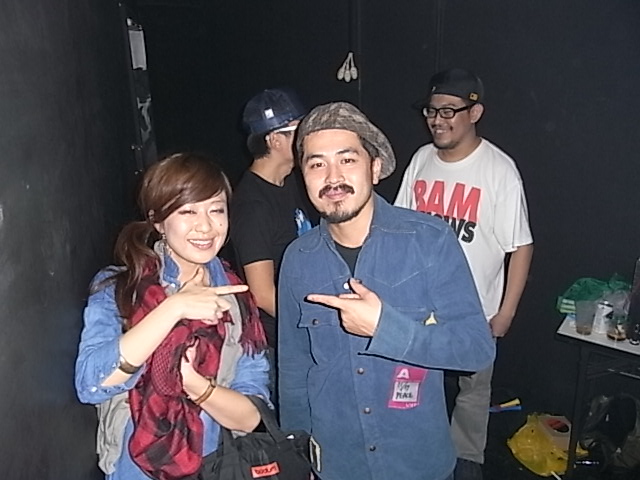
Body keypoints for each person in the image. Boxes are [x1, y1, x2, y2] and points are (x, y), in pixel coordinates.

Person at [278, 102, 496, 480]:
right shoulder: (298, 260)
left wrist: (386, 328)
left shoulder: (429, 241)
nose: (332, 177)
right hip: (337, 466)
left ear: (375, 168)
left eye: (347, 160)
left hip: (418, 464)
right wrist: (297, 456)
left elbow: (476, 349)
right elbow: (294, 371)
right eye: (317, 164)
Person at [75, 153, 269, 480]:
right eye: (188, 211)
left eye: (216, 210)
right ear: (158, 221)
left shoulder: (237, 301)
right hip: (135, 471)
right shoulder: (121, 288)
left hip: (215, 467)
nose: (205, 226)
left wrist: (194, 383)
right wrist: (174, 307)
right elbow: (91, 384)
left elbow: (253, 418)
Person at [395, 68, 534, 479]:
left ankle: (466, 465)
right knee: (413, 390)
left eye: (448, 111)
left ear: (474, 113)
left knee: (473, 395)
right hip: (418, 309)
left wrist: (506, 312)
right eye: (431, 110)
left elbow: (520, 245)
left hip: (474, 312)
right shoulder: (421, 159)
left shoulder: (499, 170)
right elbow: (399, 227)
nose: (437, 120)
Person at [231, 88, 313, 351]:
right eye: (299, 130)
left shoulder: (289, 181)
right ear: (275, 140)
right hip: (279, 342)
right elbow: (263, 294)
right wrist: (313, 324)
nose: (308, 137)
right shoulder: (253, 206)